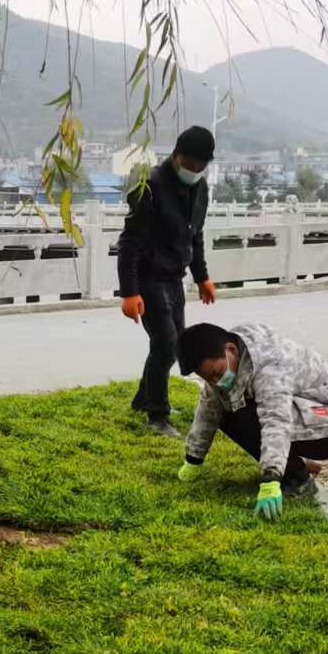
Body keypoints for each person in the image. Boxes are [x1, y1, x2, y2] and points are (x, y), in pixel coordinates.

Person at [174, 321, 328, 521]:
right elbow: (209, 407)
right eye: (209, 378)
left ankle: (298, 480)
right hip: (304, 414)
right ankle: (296, 465)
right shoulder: (233, 355)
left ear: (231, 350)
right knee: (226, 409)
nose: (216, 381)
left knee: (245, 414)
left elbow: (275, 421)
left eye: (217, 373)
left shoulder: (271, 366)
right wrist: (193, 458)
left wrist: (271, 477)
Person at [117, 125, 218, 438]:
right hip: (148, 276)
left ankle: (143, 399)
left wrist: (202, 277)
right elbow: (129, 242)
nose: (195, 171)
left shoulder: (199, 189)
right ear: (176, 156)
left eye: (202, 167)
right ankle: (156, 415)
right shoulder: (151, 186)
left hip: (174, 277)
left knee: (174, 344)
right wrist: (129, 292)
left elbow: (195, 234)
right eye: (191, 165)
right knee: (166, 344)